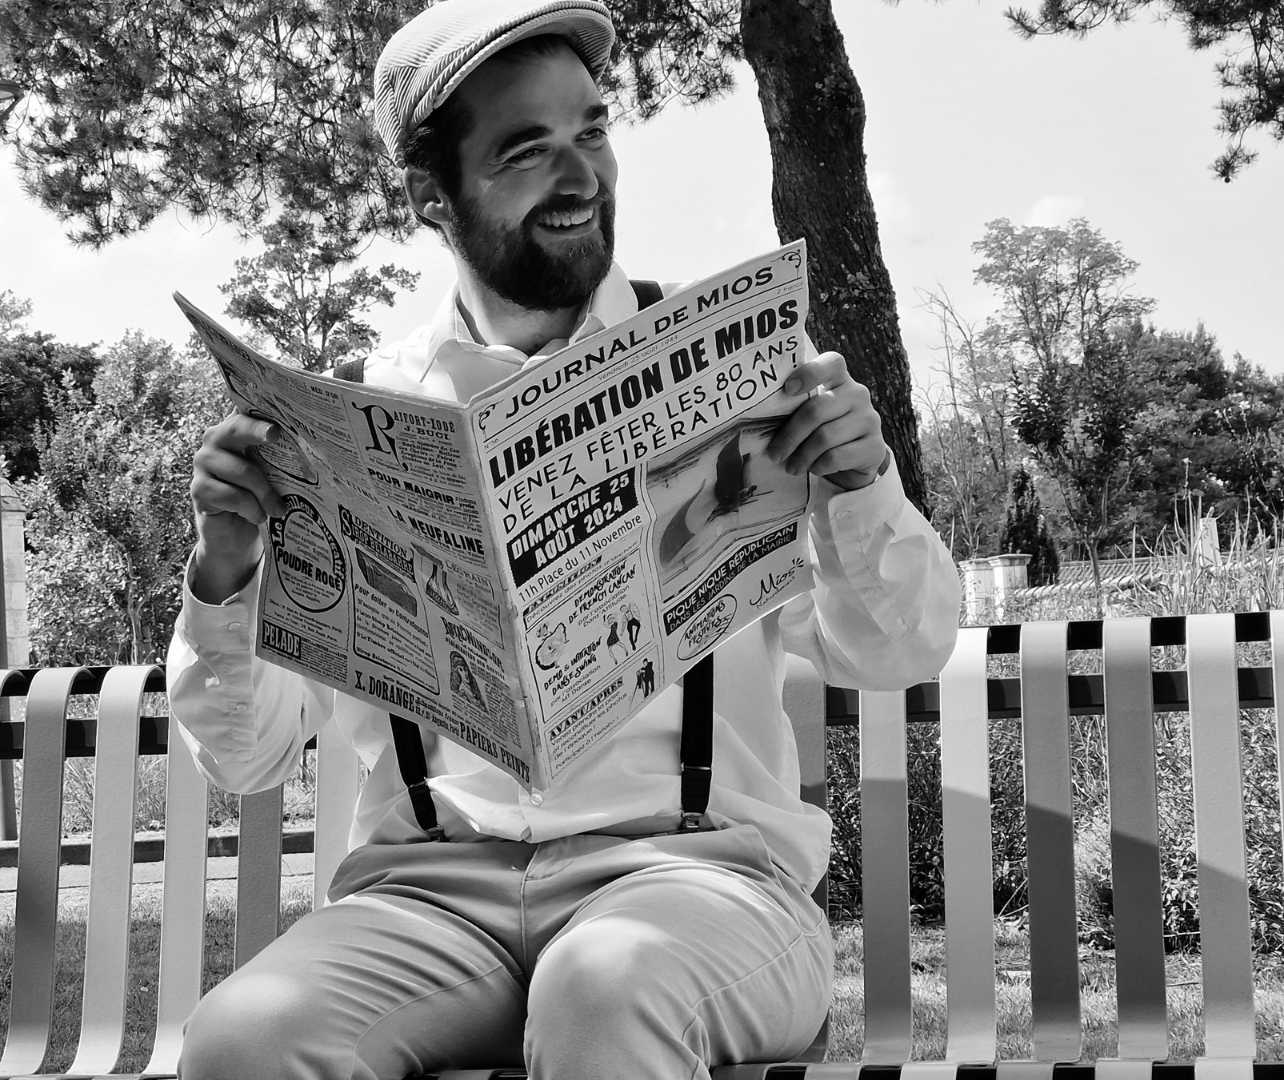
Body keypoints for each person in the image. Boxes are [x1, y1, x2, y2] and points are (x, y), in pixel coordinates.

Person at [167, 1, 961, 1076]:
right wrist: (226, 572)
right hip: (428, 906)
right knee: (238, 1043)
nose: (581, 175)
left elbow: (898, 651)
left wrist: (861, 482)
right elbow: (248, 752)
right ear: (429, 196)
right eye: (526, 150)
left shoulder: (737, 363)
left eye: (590, 131)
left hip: (699, 886)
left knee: (606, 990)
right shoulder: (352, 415)